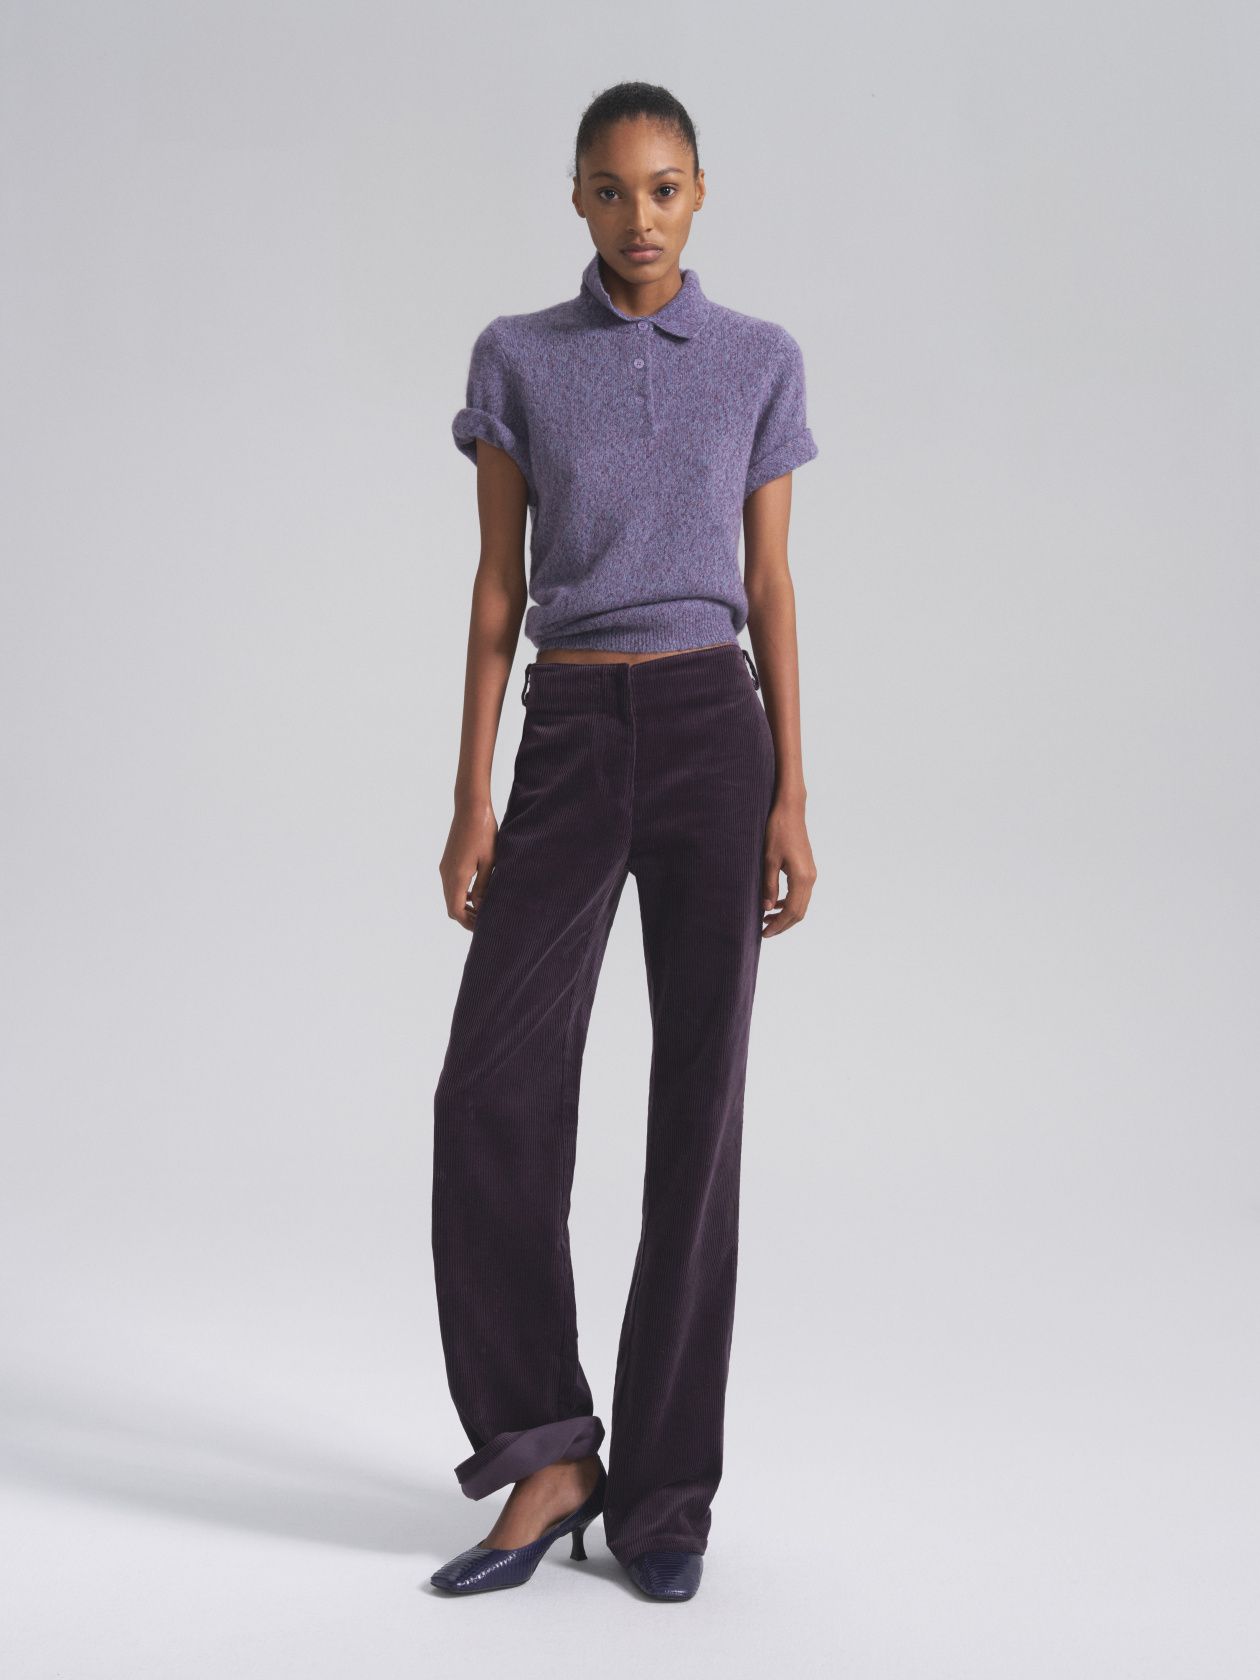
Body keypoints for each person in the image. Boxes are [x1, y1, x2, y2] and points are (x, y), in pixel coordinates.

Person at [429, 80, 820, 1602]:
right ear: (578, 197)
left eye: (663, 187)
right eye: (611, 188)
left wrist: (792, 792)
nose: (638, 215)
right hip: (574, 729)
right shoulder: (519, 357)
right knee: (489, 1086)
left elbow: (771, 587)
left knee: (697, 1107)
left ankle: (665, 1495)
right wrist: (472, 794)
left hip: (717, 732)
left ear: (699, 193)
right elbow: (495, 589)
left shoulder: (758, 360)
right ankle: (547, 1452)